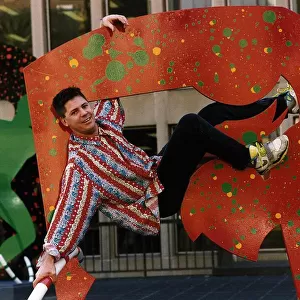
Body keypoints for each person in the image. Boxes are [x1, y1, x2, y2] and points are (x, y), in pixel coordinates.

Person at [33, 14, 290, 287]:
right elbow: (68, 209)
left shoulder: (102, 120)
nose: (84, 113)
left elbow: (108, 83)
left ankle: (281, 103)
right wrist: (49, 255)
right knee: (190, 124)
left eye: (84, 106)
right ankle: (254, 159)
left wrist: (107, 36)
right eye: (75, 112)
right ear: (64, 122)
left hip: (157, 170)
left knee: (209, 114)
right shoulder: (80, 166)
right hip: (156, 202)